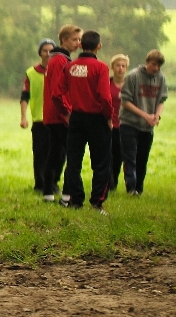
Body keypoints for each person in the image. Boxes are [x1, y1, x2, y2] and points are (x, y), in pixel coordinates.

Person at [61, 31, 113, 213]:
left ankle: (76, 200)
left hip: (76, 118)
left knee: (74, 161)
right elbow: (105, 97)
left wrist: (66, 112)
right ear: (99, 46)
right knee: (101, 162)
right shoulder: (101, 68)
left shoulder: (70, 67)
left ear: (81, 45)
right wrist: (109, 117)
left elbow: (57, 93)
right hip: (97, 119)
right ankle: (97, 201)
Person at [42, 24, 83, 204]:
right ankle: (66, 193)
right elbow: (58, 90)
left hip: (55, 113)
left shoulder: (60, 59)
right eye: (74, 39)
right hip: (58, 114)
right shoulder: (60, 60)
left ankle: (48, 191)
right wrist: (67, 112)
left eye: (79, 40)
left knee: (56, 153)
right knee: (66, 152)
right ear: (64, 40)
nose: (78, 43)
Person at [118, 49, 168, 196]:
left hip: (147, 126)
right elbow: (125, 101)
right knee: (130, 157)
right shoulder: (134, 76)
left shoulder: (161, 78)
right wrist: (145, 115)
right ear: (147, 63)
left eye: (159, 66)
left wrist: (157, 116)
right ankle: (131, 188)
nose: (156, 68)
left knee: (142, 158)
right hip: (129, 123)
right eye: (153, 64)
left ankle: (139, 188)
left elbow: (161, 100)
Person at [20, 38, 56, 193]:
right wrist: (23, 117)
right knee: (40, 154)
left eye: (51, 51)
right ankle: (40, 184)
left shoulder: (61, 70)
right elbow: (25, 96)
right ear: (40, 53)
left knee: (56, 154)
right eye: (45, 51)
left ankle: (53, 183)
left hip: (56, 119)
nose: (48, 54)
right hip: (39, 119)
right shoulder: (31, 73)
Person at [108, 54, 130, 191]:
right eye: (118, 65)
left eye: (123, 66)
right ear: (112, 67)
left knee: (119, 156)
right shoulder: (106, 83)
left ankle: (114, 182)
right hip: (108, 124)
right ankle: (108, 184)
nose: (120, 69)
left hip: (125, 125)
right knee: (107, 155)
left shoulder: (130, 85)